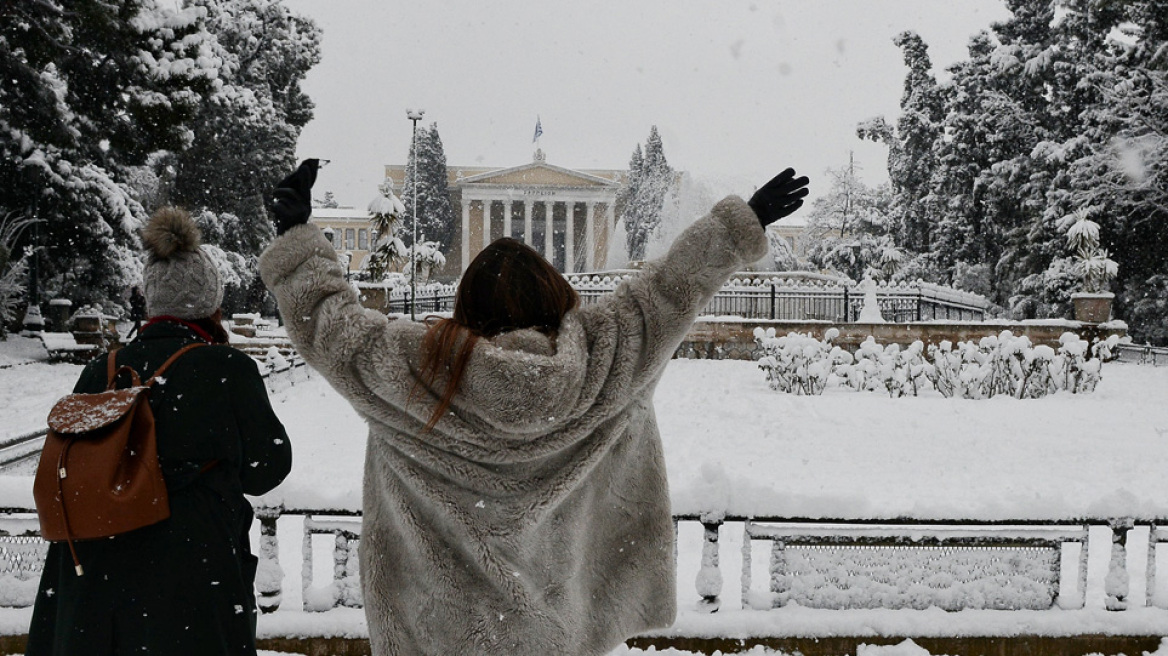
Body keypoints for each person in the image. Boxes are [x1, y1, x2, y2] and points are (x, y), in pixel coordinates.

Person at [260, 160, 808, 656]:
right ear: (555, 294)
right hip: (560, 636)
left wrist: (298, 240)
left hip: (439, 637)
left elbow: (331, 329)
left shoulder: (417, 375)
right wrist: (739, 227)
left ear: (466, 304)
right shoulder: (605, 360)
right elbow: (667, 293)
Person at [27, 206, 293, 656]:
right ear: (212, 303)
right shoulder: (227, 369)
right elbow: (266, 469)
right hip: (192, 573)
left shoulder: (102, 370)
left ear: (149, 300)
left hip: (95, 573)